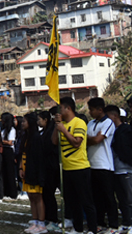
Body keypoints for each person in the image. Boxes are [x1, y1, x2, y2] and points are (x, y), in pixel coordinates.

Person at [51, 97, 97, 234]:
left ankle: (92, 229)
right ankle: (78, 229)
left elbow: (76, 143)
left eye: (60, 109)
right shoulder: (61, 123)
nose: (58, 112)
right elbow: (54, 142)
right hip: (66, 169)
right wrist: (57, 126)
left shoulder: (79, 123)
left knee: (86, 201)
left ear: (68, 108)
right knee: (72, 202)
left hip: (80, 168)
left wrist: (64, 130)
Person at [86, 97, 118, 232]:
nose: (90, 112)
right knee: (96, 197)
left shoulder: (108, 123)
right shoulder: (91, 123)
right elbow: (88, 140)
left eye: (92, 110)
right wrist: (90, 139)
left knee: (109, 197)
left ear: (100, 109)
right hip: (92, 165)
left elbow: (98, 139)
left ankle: (113, 224)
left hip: (105, 165)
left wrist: (89, 139)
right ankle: (100, 223)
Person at [106, 105, 132, 234]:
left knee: (129, 198)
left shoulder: (125, 130)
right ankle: (126, 223)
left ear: (115, 116)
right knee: (121, 199)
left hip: (126, 169)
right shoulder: (111, 131)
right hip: (114, 169)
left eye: (108, 116)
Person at [20, 113, 46, 234]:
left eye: (24, 121)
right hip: (26, 169)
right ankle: (35, 221)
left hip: (34, 170)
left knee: (37, 197)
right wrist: (21, 168)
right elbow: (23, 154)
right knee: (31, 196)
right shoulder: (26, 136)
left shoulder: (36, 137)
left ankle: (41, 224)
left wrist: (37, 173)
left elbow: (39, 158)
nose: (22, 123)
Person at [38, 110, 61, 232]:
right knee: (46, 194)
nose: (38, 122)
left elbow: (51, 147)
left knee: (50, 194)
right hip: (46, 166)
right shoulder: (44, 132)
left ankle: (54, 219)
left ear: (46, 120)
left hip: (53, 166)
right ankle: (48, 217)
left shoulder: (52, 131)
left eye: (39, 119)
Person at [0, 112, 18, 200]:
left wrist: (1, 141)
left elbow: (10, 142)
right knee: (4, 172)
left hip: (9, 150)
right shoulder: (2, 129)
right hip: (3, 150)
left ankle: (12, 192)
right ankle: (6, 191)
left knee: (10, 172)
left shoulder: (12, 130)